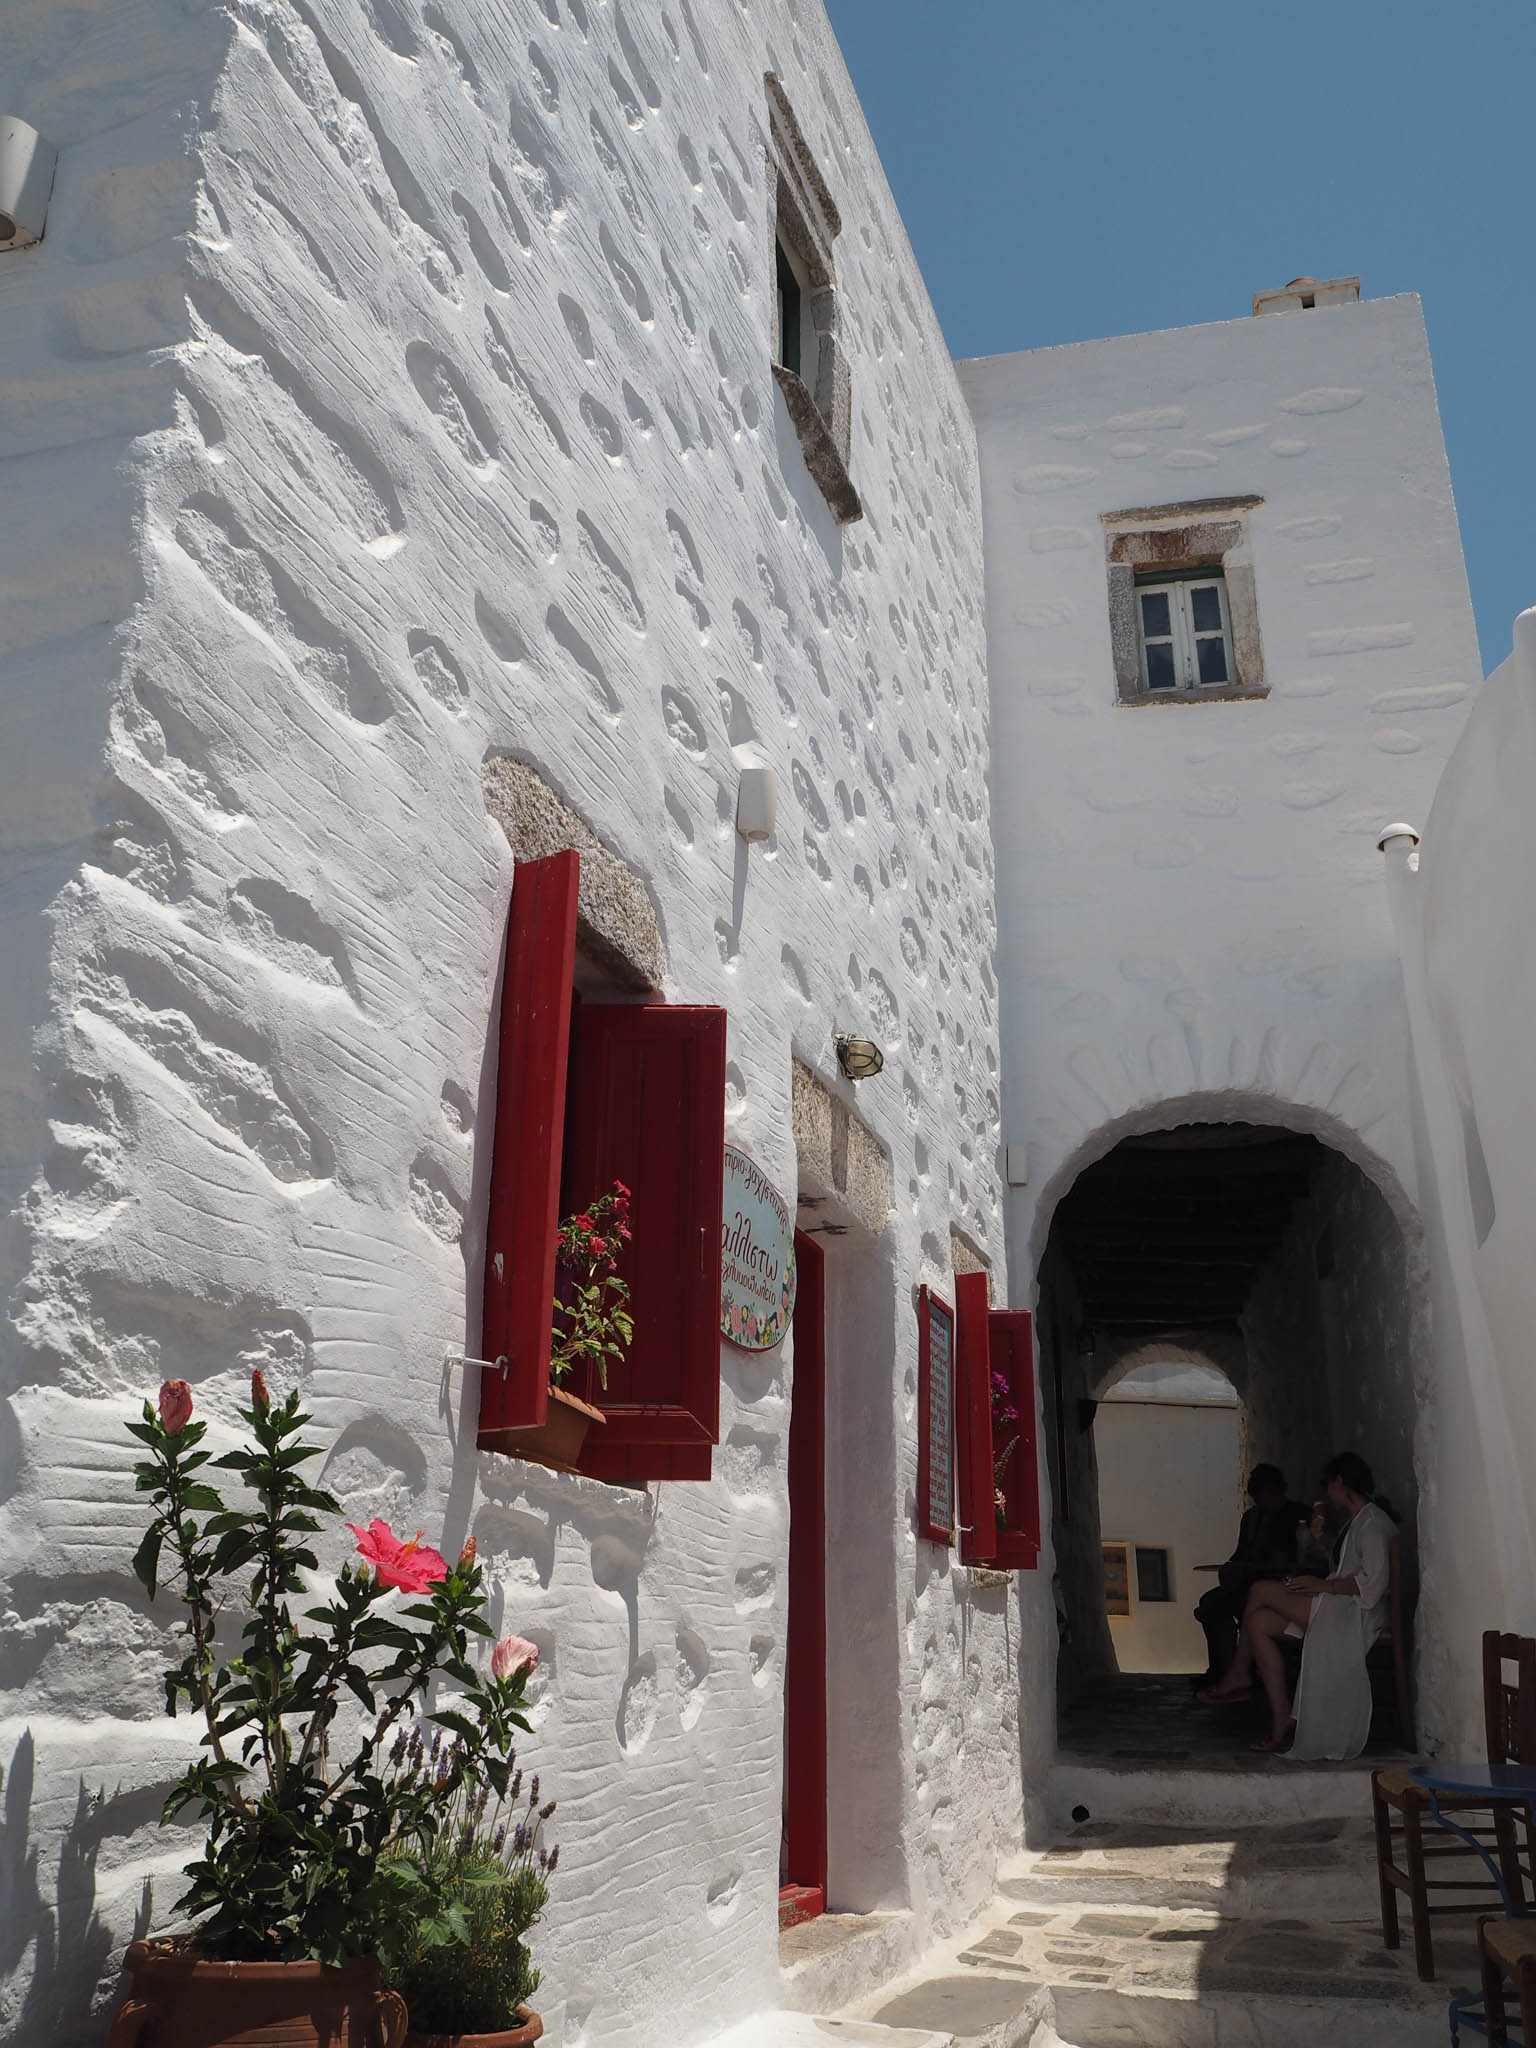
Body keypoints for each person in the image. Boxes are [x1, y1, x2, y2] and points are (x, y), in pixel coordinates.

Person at [1196, 1452, 1398, 1757]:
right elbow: (1349, 1565)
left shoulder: (1372, 1523)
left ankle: (1239, 1674)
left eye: (1328, 1485)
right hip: (1338, 1604)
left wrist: (1324, 1586)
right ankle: (1281, 1717)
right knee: (1258, 1623)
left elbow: (1373, 1586)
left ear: (1340, 1482)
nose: (1326, 1494)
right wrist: (1322, 1544)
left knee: (1261, 1589)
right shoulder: (1355, 1522)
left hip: (1355, 1614)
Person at [1193, 1463, 1312, 1686]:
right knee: (1210, 1605)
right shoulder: (1251, 1519)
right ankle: (1223, 1669)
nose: (1262, 1502)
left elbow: (1298, 1560)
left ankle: (1238, 1671)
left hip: (1280, 1590)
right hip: (1247, 1585)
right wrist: (1231, 1569)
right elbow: (1240, 1555)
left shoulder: (1299, 1517)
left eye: (1266, 1495)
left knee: (1233, 1605)